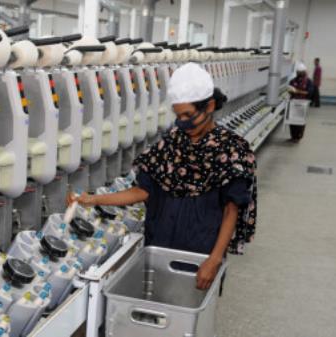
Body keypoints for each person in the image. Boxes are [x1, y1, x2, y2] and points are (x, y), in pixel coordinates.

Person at [68, 63, 257, 291]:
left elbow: (231, 210)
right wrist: (91, 200)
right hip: (159, 246)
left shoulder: (232, 150)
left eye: (188, 115)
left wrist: (214, 260)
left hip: (201, 252)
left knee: (189, 316)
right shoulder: (170, 144)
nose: (182, 122)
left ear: (210, 106)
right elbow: (141, 191)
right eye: (178, 116)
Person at [288, 62, 315, 142]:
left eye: (300, 72)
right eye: (298, 72)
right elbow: (290, 89)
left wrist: (297, 91)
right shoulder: (293, 81)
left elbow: (309, 92)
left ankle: (298, 137)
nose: (299, 73)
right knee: (292, 121)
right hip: (293, 103)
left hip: (303, 103)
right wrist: (290, 91)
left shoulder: (308, 82)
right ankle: (293, 136)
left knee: (300, 121)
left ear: (304, 72)